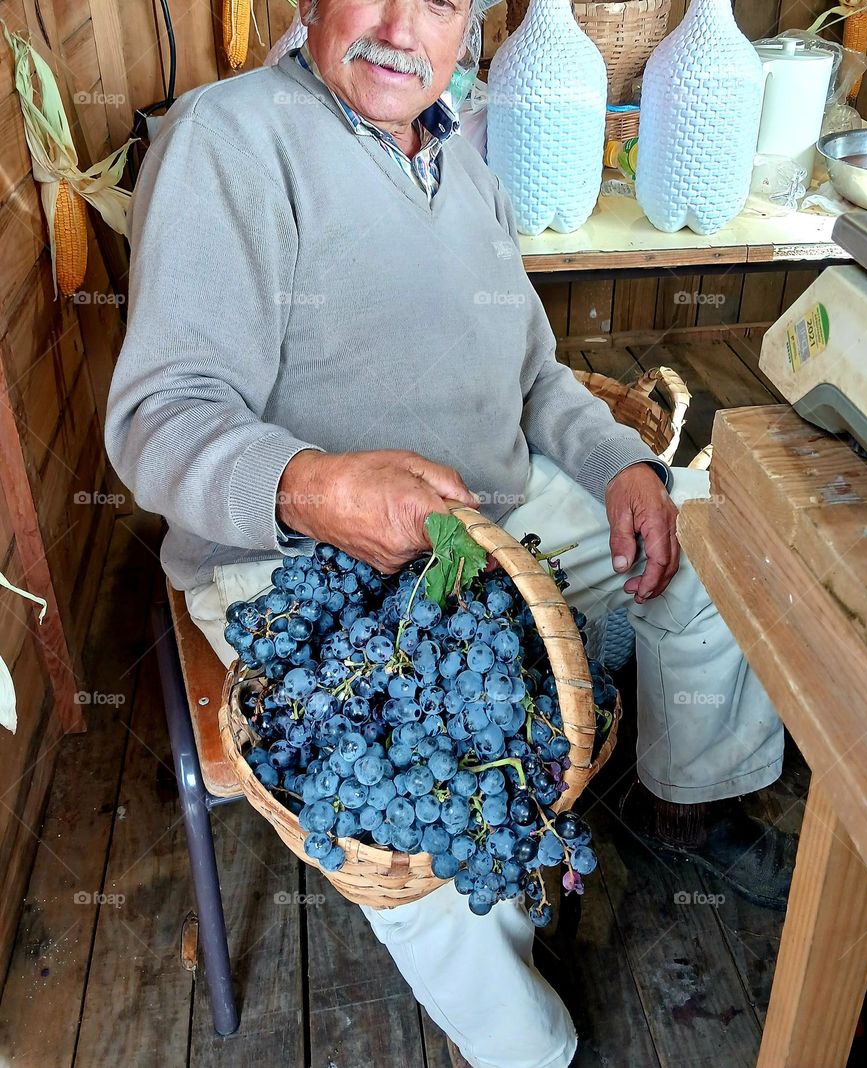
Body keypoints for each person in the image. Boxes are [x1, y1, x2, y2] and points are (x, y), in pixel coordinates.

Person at [104, 1, 790, 1064]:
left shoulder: (466, 165)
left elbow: (539, 379)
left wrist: (623, 467)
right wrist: (312, 484)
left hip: (498, 513)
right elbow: (160, 417)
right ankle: (535, 1047)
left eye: (434, 0)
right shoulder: (226, 140)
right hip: (300, 563)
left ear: (467, 25)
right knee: (444, 796)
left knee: (705, 553)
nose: (396, 26)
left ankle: (683, 802)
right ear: (305, 7)